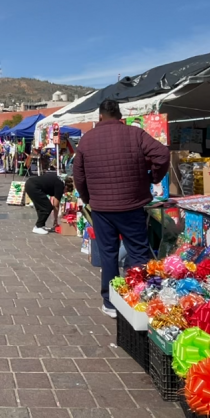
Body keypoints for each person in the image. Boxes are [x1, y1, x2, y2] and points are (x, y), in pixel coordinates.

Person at [73, 99, 170, 319]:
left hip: (102, 209)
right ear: (120, 115)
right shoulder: (135, 134)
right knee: (138, 252)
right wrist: (153, 177)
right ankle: (138, 298)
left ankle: (109, 302)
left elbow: (78, 175)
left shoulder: (86, 140)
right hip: (132, 205)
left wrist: (89, 197)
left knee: (108, 255)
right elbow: (162, 154)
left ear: (99, 117)